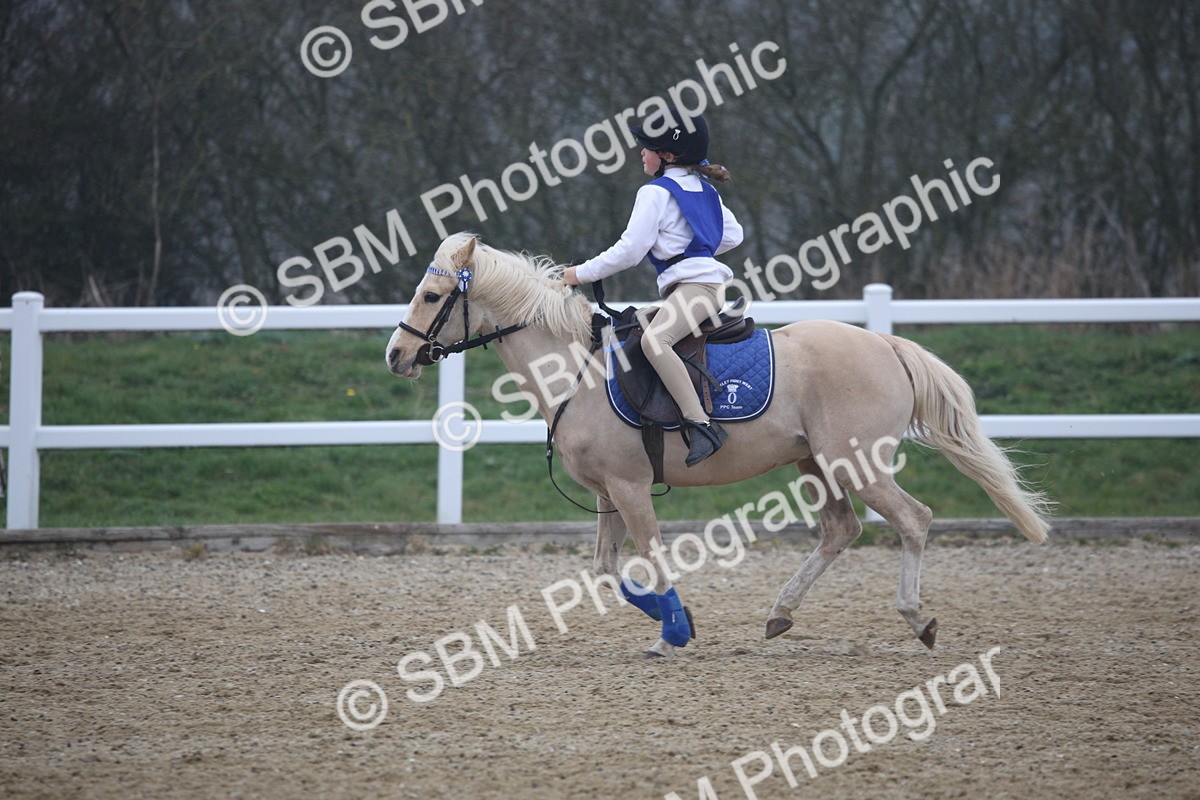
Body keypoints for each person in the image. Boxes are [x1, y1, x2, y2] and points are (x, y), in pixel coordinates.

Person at [563, 109, 744, 466]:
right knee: (636, 325)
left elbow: (630, 251)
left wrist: (578, 275)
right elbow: (734, 235)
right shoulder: (705, 190)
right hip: (699, 286)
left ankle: (701, 424)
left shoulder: (655, 193)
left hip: (697, 288)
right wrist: (696, 245)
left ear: (668, 156)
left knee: (654, 341)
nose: (640, 153)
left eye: (646, 147)